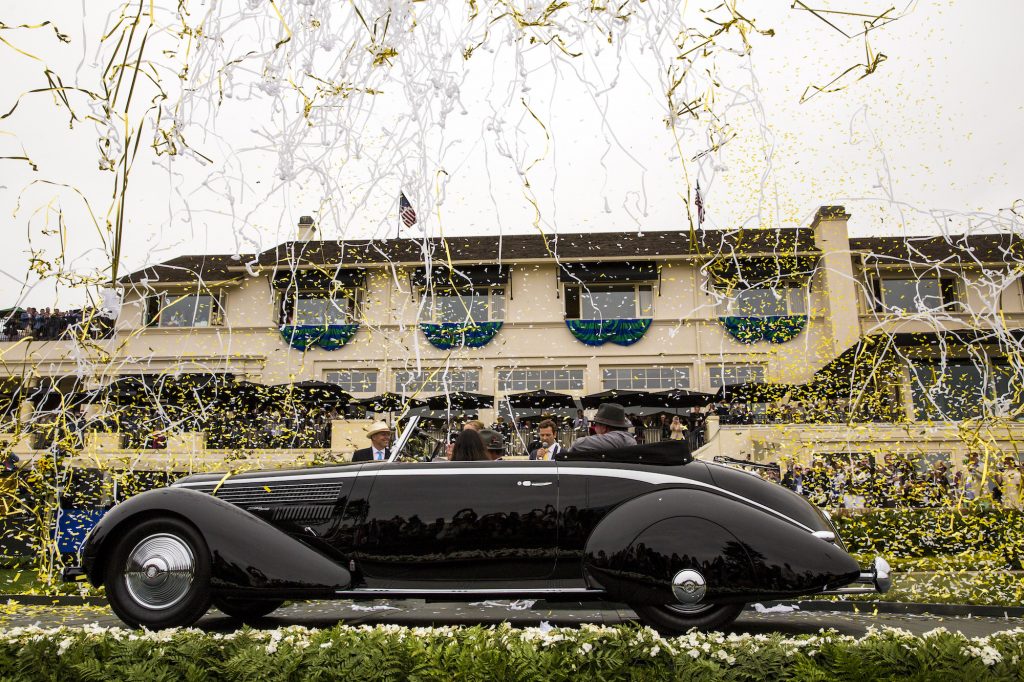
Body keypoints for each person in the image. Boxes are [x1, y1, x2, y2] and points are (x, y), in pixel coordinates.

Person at [566, 403, 636, 455]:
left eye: (595, 424)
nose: (595, 428)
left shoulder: (617, 438)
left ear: (603, 428)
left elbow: (577, 444)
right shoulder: (626, 437)